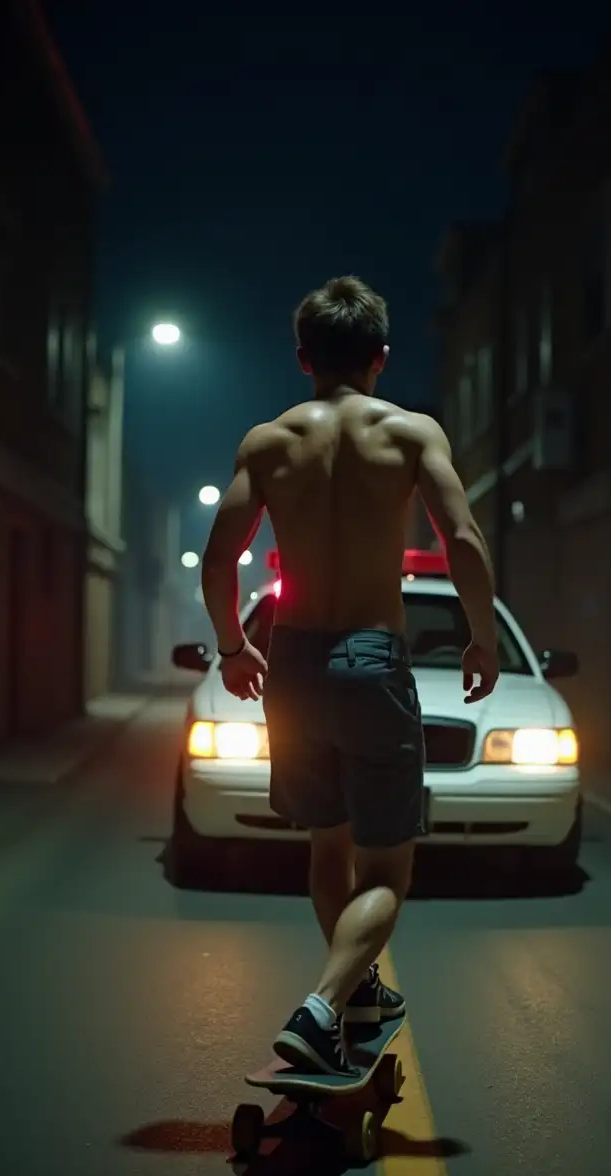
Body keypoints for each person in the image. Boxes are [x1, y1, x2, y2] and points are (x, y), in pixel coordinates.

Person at [200, 275, 499, 1076]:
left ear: (303, 359)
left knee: (325, 844)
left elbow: (220, 558)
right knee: (388, 869)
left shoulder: (267, 443)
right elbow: (462, 535)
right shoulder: (409, 434)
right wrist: (482, 637)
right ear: (381, 357)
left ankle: (357, 991)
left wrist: (233, 647)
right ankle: (326, 1001)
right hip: (371, 655)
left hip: (293, 664)